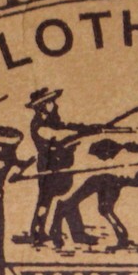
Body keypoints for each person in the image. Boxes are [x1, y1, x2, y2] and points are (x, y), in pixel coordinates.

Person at [25, 88, 101, 245]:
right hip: (50, 168)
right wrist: (83, 132)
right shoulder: (39, 125)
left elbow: (66, 127)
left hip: (62, 166)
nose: (54, 104)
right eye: (50, 102)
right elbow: (59, 135)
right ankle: (40, 233)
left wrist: (89, 128)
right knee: (49, 199)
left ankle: (71, 233)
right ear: (41, 106)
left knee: (60, 198)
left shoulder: (53, 122)